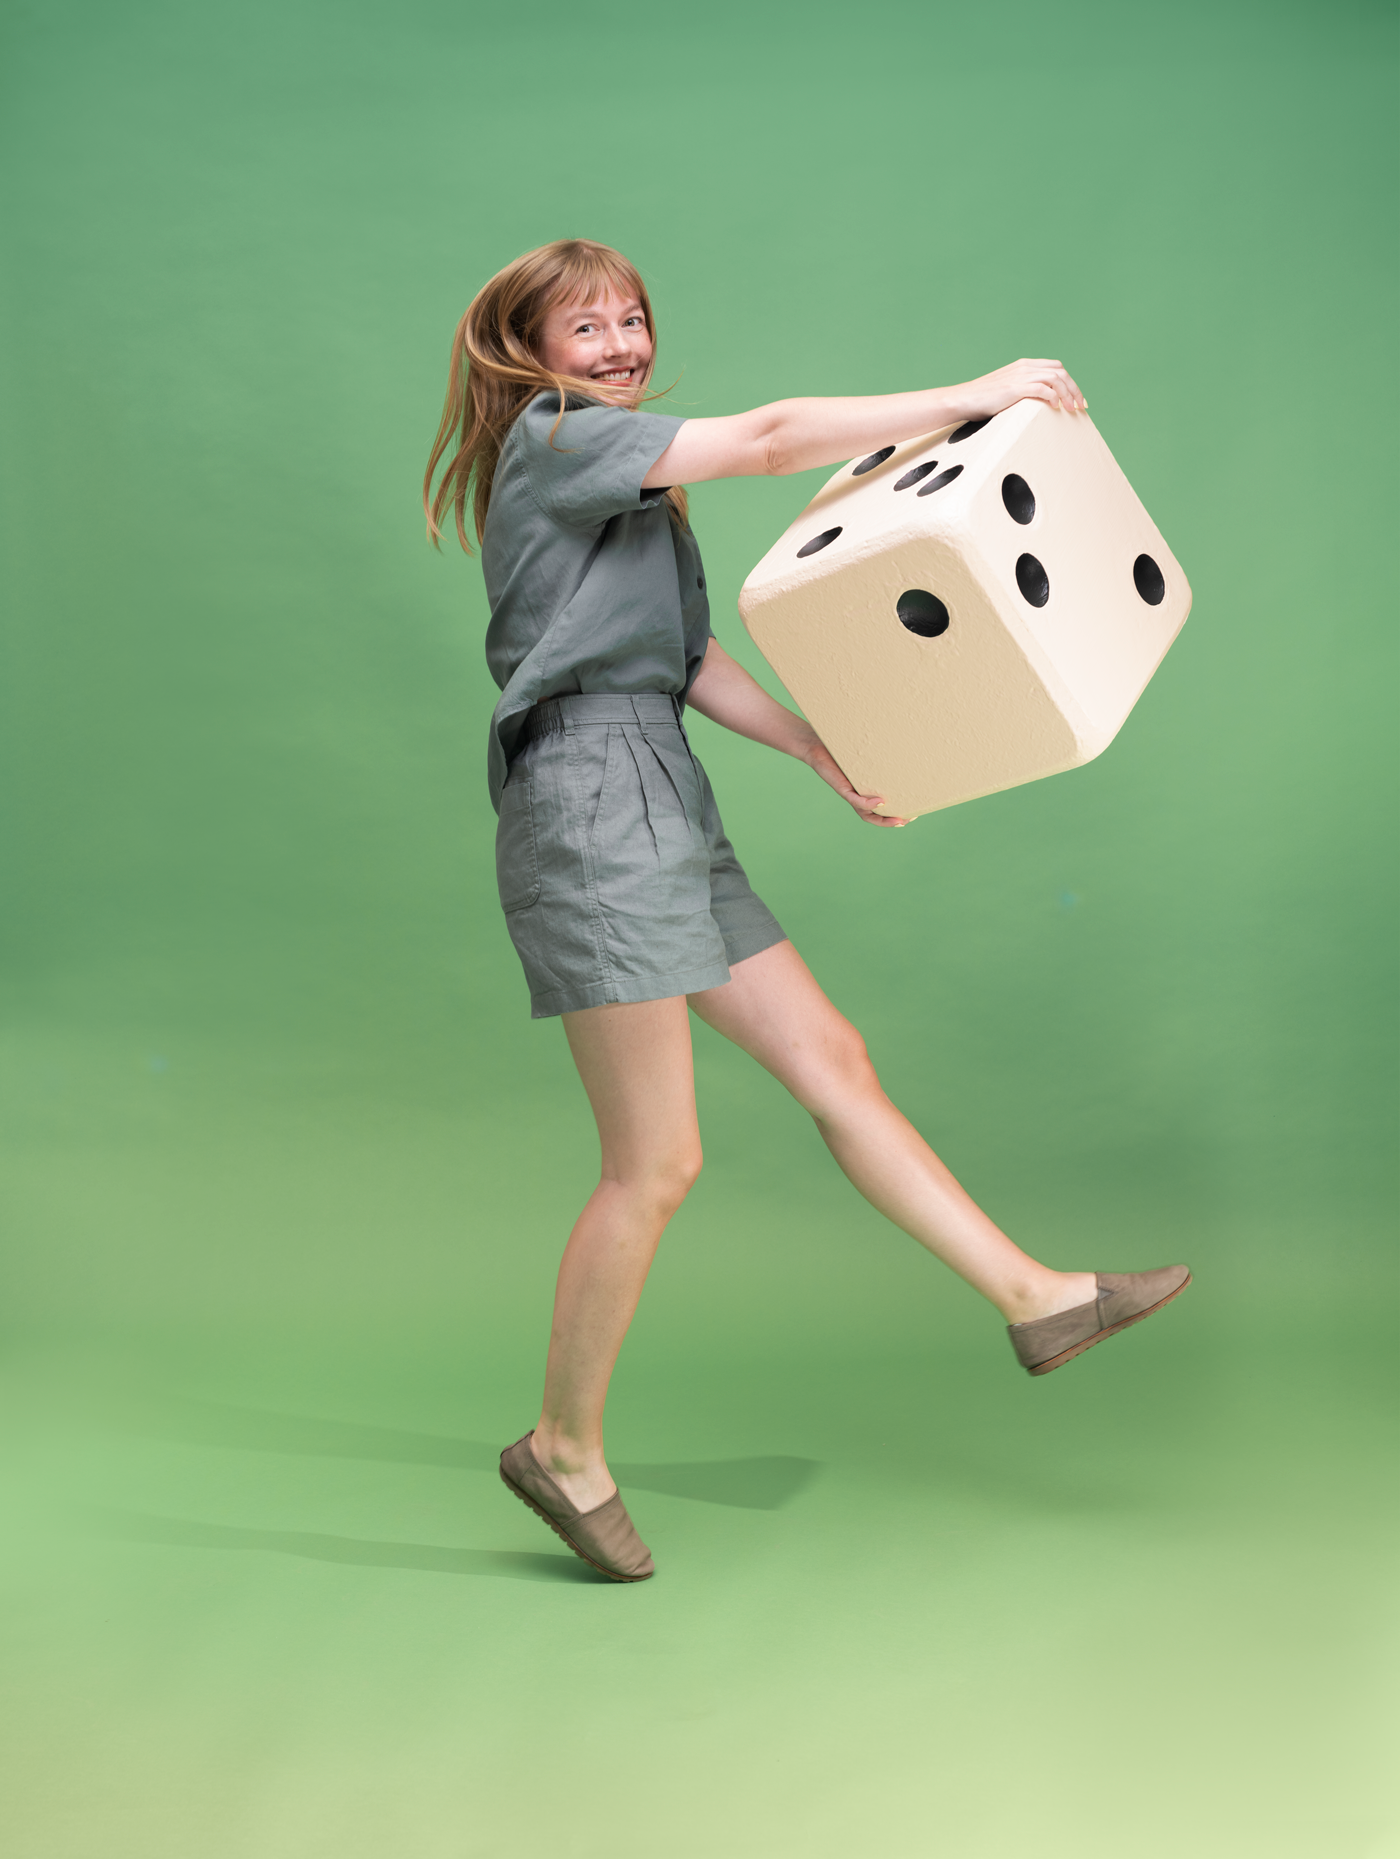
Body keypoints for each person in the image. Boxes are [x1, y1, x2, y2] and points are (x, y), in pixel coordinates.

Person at [423, 239, 1189, 1583]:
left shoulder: (633, 479)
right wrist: (976, 391)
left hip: (659, 780)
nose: (617, 343)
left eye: (633, 320)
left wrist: (819, 746)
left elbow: (689, 654)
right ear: (532, 354)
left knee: (833, 1060)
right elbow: (776, 437)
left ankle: (1036, 1298)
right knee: (655, 1162)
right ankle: (562, 1443)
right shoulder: (556, 442)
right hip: (592, 804)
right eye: (585, 326)